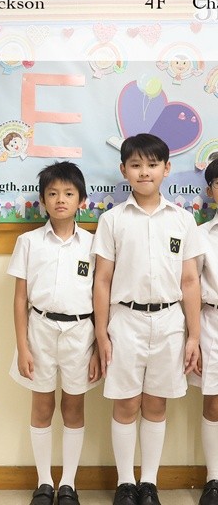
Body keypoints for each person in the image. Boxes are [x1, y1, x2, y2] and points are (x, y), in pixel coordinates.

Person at [93, 134, 203, 505]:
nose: (144, 172)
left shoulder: (183, 219)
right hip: (125, 321)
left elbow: (190, 281)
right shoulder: (112, 220)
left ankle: (149, 483)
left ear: (166, 169)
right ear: (124, 170)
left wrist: (193, 336)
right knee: (126, 404)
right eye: (136, 165)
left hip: (170, 322)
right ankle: (126, 483)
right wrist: (102, 335)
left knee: (156, 404)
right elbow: (102, 280)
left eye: (152, 164)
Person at [7, 162, 100, 505]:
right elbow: (20, 299)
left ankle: (68, 484)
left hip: (81, 333)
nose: (61, 199)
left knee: (73, 407)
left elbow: (100, 297)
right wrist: (22, 346)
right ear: (43, 200)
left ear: (81, 200)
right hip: (40, 332)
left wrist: (98, 347)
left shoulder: (93, 245)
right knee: (42, 406)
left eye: (69, 193)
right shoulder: (29, 242)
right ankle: (44, 482)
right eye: (53, 193)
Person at [191, 158, 218, 505]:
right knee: (214, 402)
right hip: (213, 322)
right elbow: (191, 287)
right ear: (211, 191)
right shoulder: (200, 236)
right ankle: (214, 478)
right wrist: (193, 337)